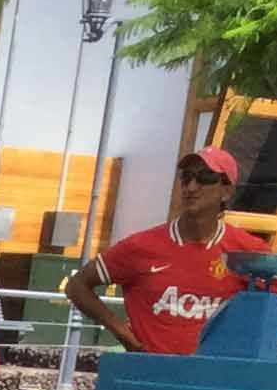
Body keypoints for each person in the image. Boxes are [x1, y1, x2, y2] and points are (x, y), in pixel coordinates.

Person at [64, 147, 244, 356]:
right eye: (186, 177)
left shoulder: (247, 251)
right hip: (149, 371)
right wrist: (126, 336)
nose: (192, 187)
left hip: (215, 373)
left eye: (205, 177)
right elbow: (76, 286)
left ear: (226, 191)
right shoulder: (141, 246)